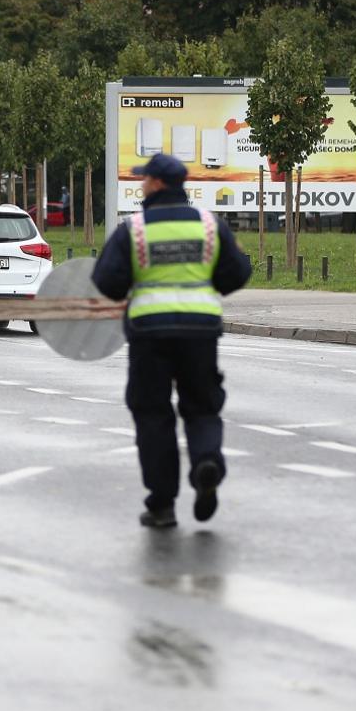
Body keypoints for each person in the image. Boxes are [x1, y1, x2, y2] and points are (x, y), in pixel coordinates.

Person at [92, 154, 251, 529]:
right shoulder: (210, 226)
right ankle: (206, 462)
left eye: (144, 179)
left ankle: (162, 504)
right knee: (202, 406)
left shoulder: (135, 229)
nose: (141, 184)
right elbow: (237, 273)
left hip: (150, 334)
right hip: (200, 333)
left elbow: (107, 282)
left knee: (153, 414)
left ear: (158, 184)